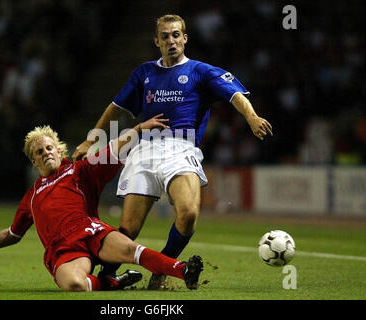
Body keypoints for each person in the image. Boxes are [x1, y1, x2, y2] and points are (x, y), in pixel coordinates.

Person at [72, 14, 273, 289]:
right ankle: (100, 277)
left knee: (188, 213)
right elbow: (115, 107)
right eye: (165, 36)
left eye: (176, 35)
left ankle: (162, 268)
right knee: (127, 231)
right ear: (157, 41)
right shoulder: (144, 73)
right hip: (144, 150)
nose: (171, 41)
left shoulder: (201, 71)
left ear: (185, 38)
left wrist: (251, 117)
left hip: (181, 148)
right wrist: (89, 141)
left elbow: (235, 95)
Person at [0, 114, 204, 292]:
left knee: (131, 250)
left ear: (59, 151)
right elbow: (13, 234)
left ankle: (183, 270)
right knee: (75, 286)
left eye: (50, 148)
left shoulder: (80, 170)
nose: (46, 153)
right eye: (39, 152)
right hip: (63, 251)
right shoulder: (31, 196)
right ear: (33, 162)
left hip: (89, 230)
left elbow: (113, 149)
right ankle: (114, 283)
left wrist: (138, 130)